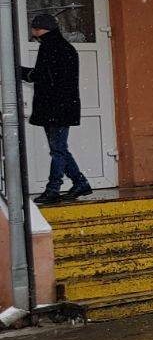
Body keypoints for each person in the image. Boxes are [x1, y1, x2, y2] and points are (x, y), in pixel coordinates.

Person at [19, 12, 90, 205]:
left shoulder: (50, 47)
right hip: (62, 106)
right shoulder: (64, 47)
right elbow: (52, 78)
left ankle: (53, 189)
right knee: (59, 148)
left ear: (41, 29)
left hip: (54, 108)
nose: (33, 32)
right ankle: (80, 182)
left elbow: (42, 77)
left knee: (57, 150)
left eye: (35, 28)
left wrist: (20, 72)